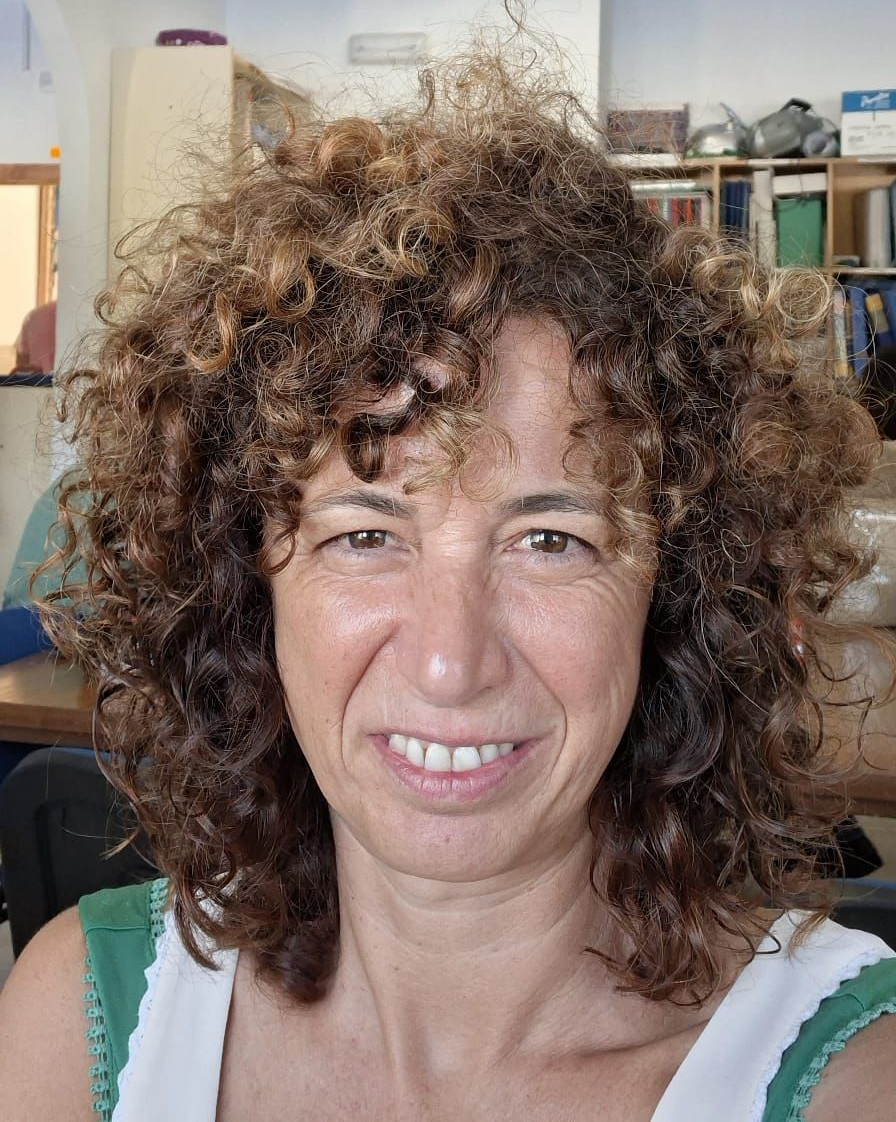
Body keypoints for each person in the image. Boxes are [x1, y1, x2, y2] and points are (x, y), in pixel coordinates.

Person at [0, 46, 894, 1121]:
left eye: (550, 540)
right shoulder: (74, 1024)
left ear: (677, 592)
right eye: (364, 535)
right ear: (243, 585)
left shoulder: (851, 1081)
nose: (447, 661)